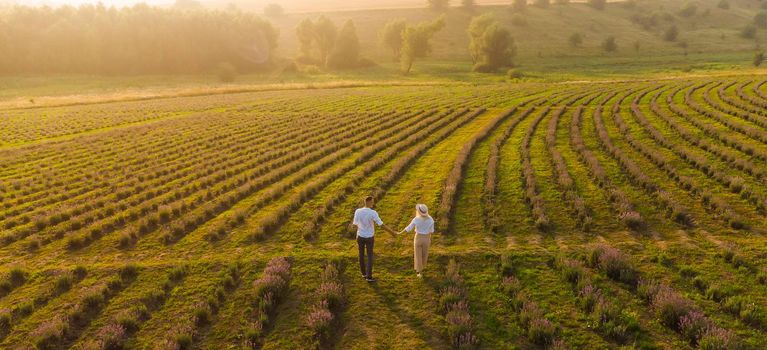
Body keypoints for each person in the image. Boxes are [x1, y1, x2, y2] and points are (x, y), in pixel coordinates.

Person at [352, 196, 397, 282]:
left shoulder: (358, 211)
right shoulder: (373, 213)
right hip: (369, 237)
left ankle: (363, 274)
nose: (373, 203)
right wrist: (392, 233)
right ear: (368, 202)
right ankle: (369, 277)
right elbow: (381, 225)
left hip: (360, 236)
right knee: (369, 256)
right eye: (372, 202)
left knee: (361, 255)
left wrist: (358, 232)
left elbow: (355, 224)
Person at [399, 204, 434, 278]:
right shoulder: (431, 219)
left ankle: (419, 272)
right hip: (427, 238)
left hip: (418, 237)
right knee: (424, 254)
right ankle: (423, 267)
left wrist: (400, 233)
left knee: (418, 255)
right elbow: (432, 231)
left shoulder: (416, 219)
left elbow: (409, 228)